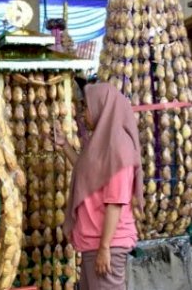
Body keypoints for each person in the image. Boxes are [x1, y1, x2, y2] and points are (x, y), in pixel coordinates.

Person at [54, 83, 144, 290]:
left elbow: (115, 202)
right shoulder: (103, 142)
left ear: (101, 107)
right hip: (94, 240)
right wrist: (64, 145)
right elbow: (89, 174)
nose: (84, 113)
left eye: (86, 107)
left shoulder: (118, 147)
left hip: (107, 243)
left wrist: (105, 248)